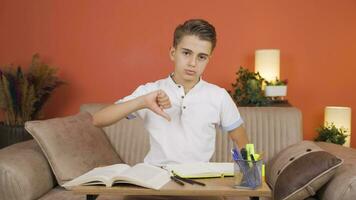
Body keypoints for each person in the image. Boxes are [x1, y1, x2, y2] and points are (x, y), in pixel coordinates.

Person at [92, 19, 249, 166]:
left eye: (201, 57)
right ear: (173, 53)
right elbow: (98, 120)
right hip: (155, 179)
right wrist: (142, 102)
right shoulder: (150, 91)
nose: (192, 63)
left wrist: (251, 175)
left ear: (209, 59)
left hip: (199, 183)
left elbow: (241, 140)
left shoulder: (218, 96)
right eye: (186, 53)